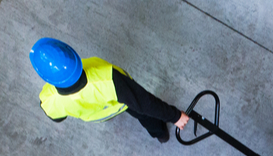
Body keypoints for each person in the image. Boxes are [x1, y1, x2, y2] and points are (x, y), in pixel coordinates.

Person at [29, 38, 190, 143]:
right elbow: (145, 103)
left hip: (99, 114)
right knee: (142, 113)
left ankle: (160, 135)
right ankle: (160, 133)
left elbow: (58, 118)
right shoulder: (108, 80)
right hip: (120, 103)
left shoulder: (48, 100)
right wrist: (175, 116)